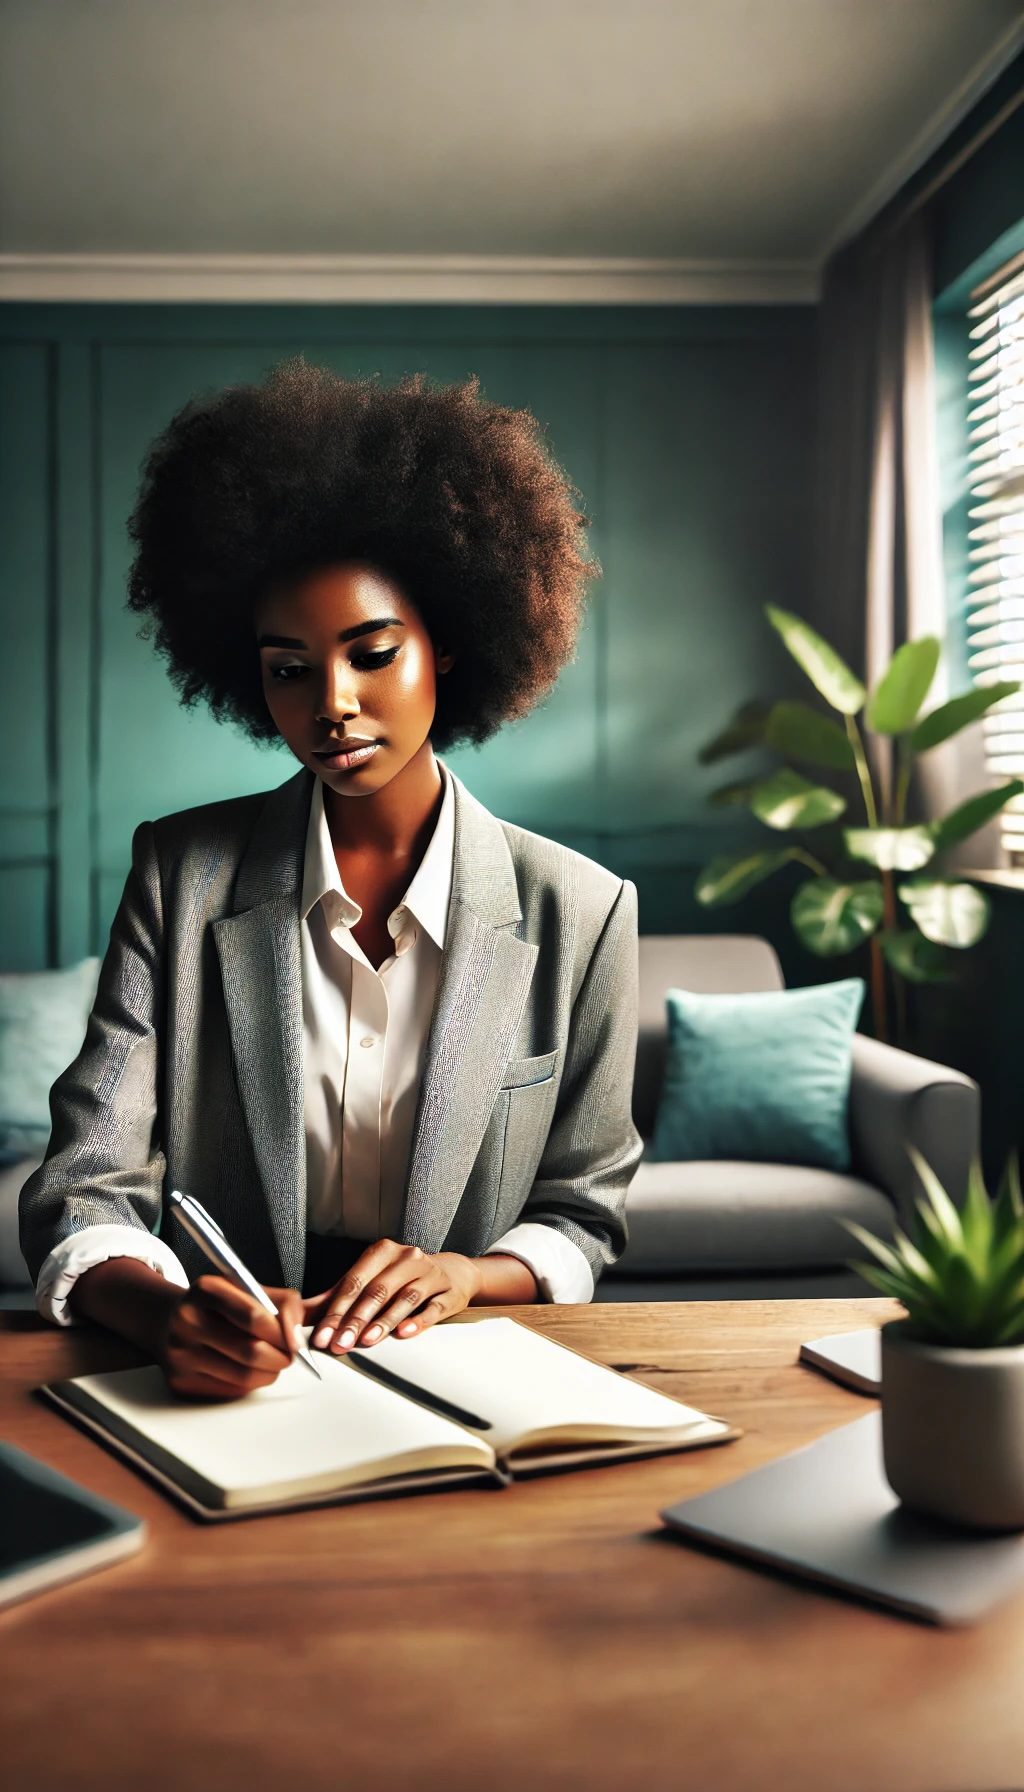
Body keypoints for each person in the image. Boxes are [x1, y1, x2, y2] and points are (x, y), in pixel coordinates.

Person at [20, 357, 643, 1402]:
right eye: (289, 667)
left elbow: (584, 1212)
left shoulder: (581, 910)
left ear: (446, 647)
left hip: (473, 1380)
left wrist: (461, 1275)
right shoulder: (181, 876)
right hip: (231, 1394)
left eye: (373, 653)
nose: (332, 704)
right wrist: (171, 1314)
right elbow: (84, 1189)